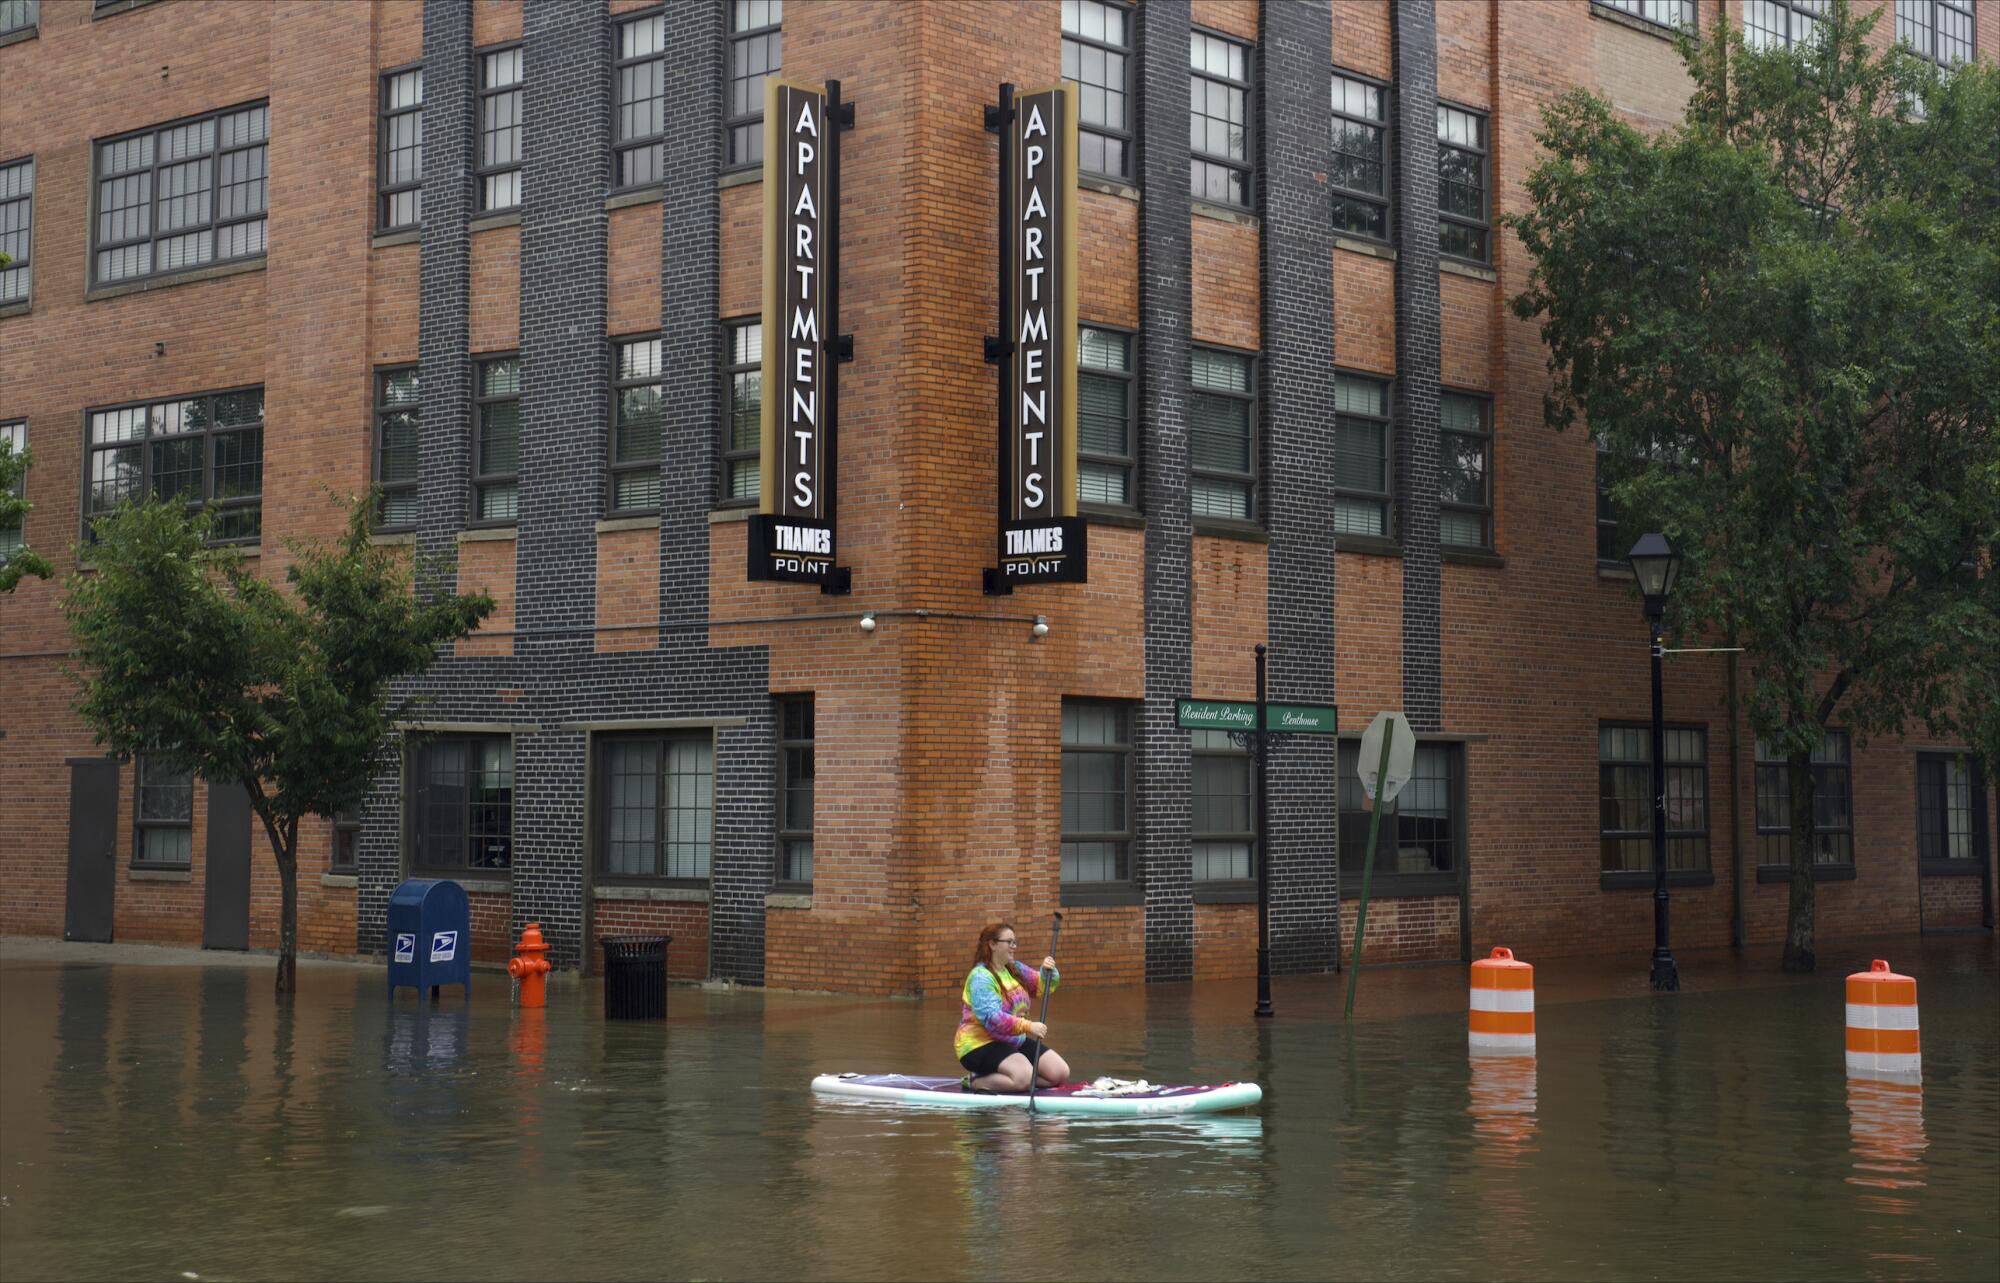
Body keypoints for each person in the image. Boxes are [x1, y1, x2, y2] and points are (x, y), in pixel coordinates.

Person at [956, 921, 1069, 1094]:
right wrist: (1028, 1026)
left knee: (1059, 1073)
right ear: (992, 944)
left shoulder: (1015, 969)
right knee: (1024, 1078)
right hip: (979, 1044)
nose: (1013, 947)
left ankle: (1013, 1078)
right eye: (1009, 942)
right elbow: (992, 1018)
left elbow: (1039, 987)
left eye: (1015, 942)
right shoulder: (981, 977)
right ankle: (975, 1081)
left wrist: (1047, 973)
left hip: (1013, 1040)